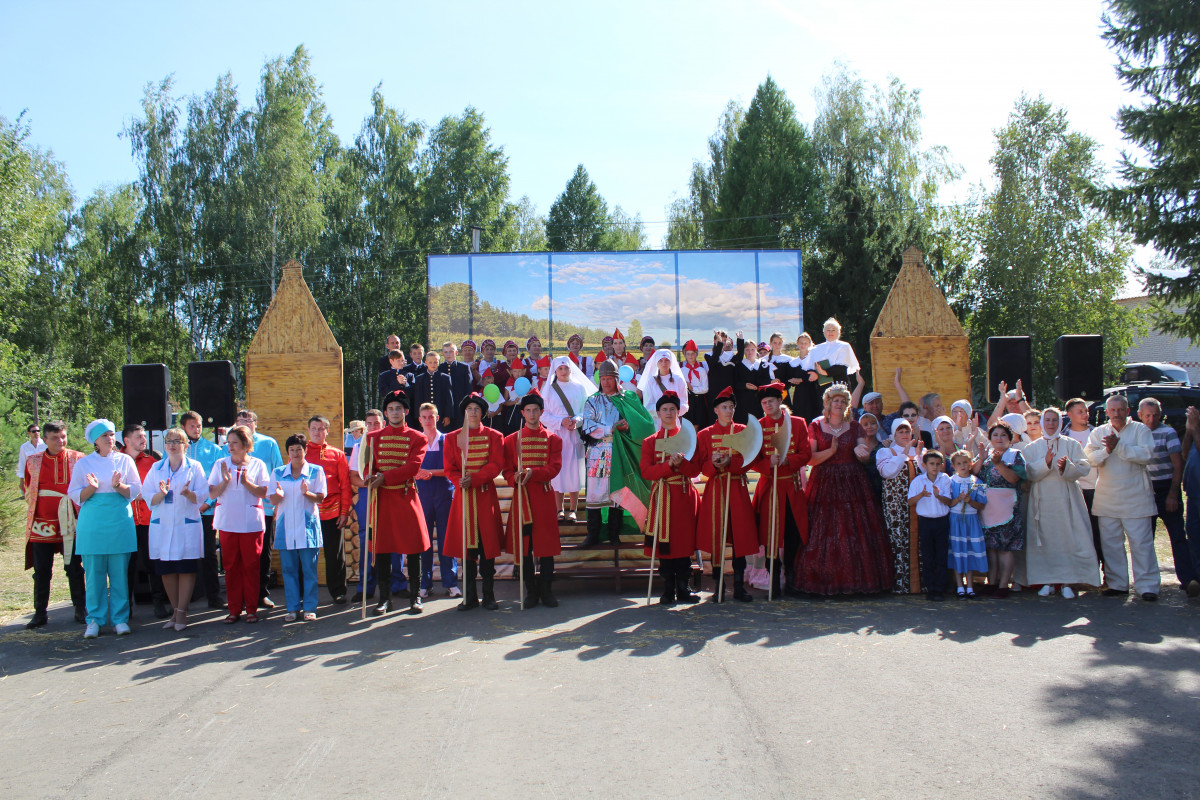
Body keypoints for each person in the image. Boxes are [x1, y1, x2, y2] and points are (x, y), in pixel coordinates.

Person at [795, 385, 893, 595]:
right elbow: (811, 458)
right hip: (824, 481)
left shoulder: (855, 426)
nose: (839, 404)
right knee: (823, 530)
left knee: (855, 529)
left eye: (842, 401)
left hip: (853, 482)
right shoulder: (816, 426)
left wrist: (862, 453)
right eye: (835, 401)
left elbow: (863, 454)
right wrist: (831, 451)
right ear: (828, 403)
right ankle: (821, 581)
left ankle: (859, 582)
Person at [68, 419, 143, 638]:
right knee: (94, 575)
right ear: (95, 441)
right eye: (105, 436)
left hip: (119, 521)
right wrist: (91, 488)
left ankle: (120, 619)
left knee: (119, 573)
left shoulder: (125, 460)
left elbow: (136, 490)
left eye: (112, 434)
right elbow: (74, 494)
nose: (110, 439)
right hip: (93, 524)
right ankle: (94, 620)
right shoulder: (84, 464)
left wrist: (119, 486)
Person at [1085, 394, 1160, 601]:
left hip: (1136, 496)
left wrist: (1119, 446)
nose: (1117, 414)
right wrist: (1107, 450)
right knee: (1110, 544)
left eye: (1121, 410)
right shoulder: (1099, 432)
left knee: (1141, 544)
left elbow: (1146, 455)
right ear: (1107, 412)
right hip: (1107, 496)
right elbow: (1089, 458)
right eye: (1113, 410)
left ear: (1128, 411)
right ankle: (1117, 584)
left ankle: (1147, 586)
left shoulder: (1140, 430)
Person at [1017, 408, 1099, 598]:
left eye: (1054, 420)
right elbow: (1028, 473)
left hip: (1066, 498)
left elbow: (1084, 467)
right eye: (1048, 420)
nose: (1051, 424)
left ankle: (1068, 581)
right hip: (1041, 500)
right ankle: (1047, 580)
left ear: (1060, 422)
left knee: (1067, 538)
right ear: (1043, 423)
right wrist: (1045, 463)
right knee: (1044, 540)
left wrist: (1067, 467)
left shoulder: (1071, 444)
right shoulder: (1033, 447)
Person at [362, 391, 430, 615]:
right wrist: (370, 477)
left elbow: (413, 467)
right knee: (381, 551)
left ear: (406, 411)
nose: (394, 412)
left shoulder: (418, 437)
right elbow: (367, 466)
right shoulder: (372, 437)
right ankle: (384, 599)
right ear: (385, 412)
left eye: (398, 408)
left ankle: (415, 597)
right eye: (390, 408)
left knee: (413, 549)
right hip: (381, 499)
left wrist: (385, 477)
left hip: (405, 496)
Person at [579, 361, 655, 547]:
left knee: (618, 492)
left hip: (621, 453)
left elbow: (644, 424)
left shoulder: (628, 398)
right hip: (598, 453)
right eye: (603, 379)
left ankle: (614, 534)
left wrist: (629, 426)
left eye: (609, 379)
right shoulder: (592, 400)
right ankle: (593, 535)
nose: (605, 382)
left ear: (616, 379)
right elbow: (588, 426)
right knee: (595, 495)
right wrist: (610, 428)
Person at [694, 387, 758, 602]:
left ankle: (739, 587)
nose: (729, 410)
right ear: (715, 410)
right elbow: (700, 466)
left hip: (737, 488)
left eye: (731, 407)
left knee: (740, 536)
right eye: (724, 407)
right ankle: (718, 587)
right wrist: (713, 465)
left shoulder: (743, 430)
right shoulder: (704, 435)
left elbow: (749, 459)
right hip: (716, 489)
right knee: (716, 537)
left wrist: (732, 463)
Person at [142, 427, 209, 631]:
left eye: (177, 442)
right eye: (169, 441)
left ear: (185, 446)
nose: (172, 445)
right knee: (167, 569)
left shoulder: (194, 467)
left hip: (185, 524)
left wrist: (189, 494)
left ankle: (182, 613)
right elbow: (148, 498)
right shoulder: (156, 468)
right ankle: (175, 610)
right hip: (162, 526)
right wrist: (161, 494)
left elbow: (203, 495)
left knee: (186, 568)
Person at [750, 382, 812, 598]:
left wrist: (787, 460)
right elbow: (754, 460)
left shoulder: (797, 423)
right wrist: (769, 464)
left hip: (792, 487)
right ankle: (774, 581)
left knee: (793, 534)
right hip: (770, 487)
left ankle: (793, 580)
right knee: (770, 537)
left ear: (779, 402)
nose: (768, 405)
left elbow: (805, 454)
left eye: (771, 402)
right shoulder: (757, 426)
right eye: (764, 402)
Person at [503, 389, 564, 608]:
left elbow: (554, 467)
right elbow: (507, 470)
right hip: (522, 497)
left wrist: (533, 473)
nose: (531, 414)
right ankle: (530, 591)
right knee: (525, 545)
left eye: (535, 410)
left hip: (545, 497)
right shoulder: (511, 440)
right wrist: (515, 477)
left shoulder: (553, 439)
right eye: (528, 410)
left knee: (545, 546)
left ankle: (546, 591)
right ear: (522, 413)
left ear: (541, 412)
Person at [640, 391, 702, 605]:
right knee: (664, 544)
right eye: (664, 409)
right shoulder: (649, 442)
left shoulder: (688, 438)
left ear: (678, 413)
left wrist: (682, 464)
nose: (668, 413)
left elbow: (695, 471)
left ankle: (684, 587)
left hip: (684, 496)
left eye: (672, 409)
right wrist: (669, 466)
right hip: (662, 497)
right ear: (658, 413)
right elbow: (646, 472)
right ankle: (667, 589)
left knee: (683, 543)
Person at [22, 420, 85, 629]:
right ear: (45, 439)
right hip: (42, 522)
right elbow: (28, 488)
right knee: (42, 570)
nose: (60, 441)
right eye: (55, 438)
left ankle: (80, 609)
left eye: (63, 437)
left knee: (74, 567)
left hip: (70, 521)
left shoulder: (79, 459)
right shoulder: (33, 461)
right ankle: (40, 613)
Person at [445, 392, 505, 611]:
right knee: (467, 550)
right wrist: (459, 480)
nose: (472, 412)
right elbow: (449, 467)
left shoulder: (494, 436)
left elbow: (496, 464)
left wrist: (476, 478)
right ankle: (469, 596)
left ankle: (489, 595)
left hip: (485, 496)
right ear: (464, 412)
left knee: (486, 548)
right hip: (463, 498)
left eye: (477, 409)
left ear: (482, 413)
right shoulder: (452, 438)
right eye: (469, 409)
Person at [208, 425, 269, 623]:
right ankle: (234, 609)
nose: (230, 446)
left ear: (245, 444)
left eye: (234, 443)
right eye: (228, 442)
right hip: (227, 522)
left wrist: (246, 483)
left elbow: (264, 493)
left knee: (251, 565)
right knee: (231, 566)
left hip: (251, 523)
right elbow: (211, 493)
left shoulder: (257, 464)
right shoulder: (220, 464)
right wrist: (225, 481)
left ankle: (251, 609)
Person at [1139, 397, 1195, 594]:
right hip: (1145, 489)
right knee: (1145, 538)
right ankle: (1149, 583)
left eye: (1155, 415)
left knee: (1177, 535)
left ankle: (1188, 579)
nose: (1151, 419)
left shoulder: (1168, 433)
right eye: (1147, 415)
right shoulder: (1137, 432)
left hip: (1166, 487)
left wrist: (1173, 493)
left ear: (1160, 415)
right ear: (1139, 415)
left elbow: (1178, 464)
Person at [269, 433, 326, 622]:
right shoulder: (278, 473)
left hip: (307, 527)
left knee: (309, 570)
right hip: (286, 529)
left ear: (305, 450)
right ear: (287, 452)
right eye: (292, 449)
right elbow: (272, 499)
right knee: (288, 570)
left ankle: (310, 607)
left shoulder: (316, 471)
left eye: (299, 449)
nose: (295, 453)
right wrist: (277, 494)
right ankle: (292, 608)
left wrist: (306, 492)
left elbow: (320, 498)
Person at [350, 409, 406, 603]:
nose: (374, 427)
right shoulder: (359, 445)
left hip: (391, 491)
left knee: (396, 535)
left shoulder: (393, 441)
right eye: (370, 424)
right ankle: (366, 586)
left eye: (377, 423)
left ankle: (398, 583)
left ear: (383, 423)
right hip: (369, 493)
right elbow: (353, 476)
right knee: (368, 539)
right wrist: (370, 483)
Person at [231, 410, 284, 610]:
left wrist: (277, 503)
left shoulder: (268, 443)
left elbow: (277, 472)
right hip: (237, 509)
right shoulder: (229, 445)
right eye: (240, 420)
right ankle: (241, 597)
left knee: (263, 553)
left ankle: (261, 594)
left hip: (265, 507)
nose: (244, 423)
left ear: (256, 424)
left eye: (248, 420)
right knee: (239, 555)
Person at [180, 410, 227, 609]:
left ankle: (214, 596)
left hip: (206, 510)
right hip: (183, 510)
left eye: (199, 425)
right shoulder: (175, 450)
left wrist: (207, 503)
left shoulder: (214, 449)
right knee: (186, 552)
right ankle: (189, 595)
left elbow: (216, 481)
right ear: (183, 427)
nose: (196, 429)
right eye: (192, 426)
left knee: (209, 553)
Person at [975, 421, 1026, 598]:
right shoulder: (986, 456)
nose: (999, 438)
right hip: (988, 508)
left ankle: (1004, 585)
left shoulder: (1015, 455)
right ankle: (992, 582)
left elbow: (1014, 478)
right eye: (995, 435)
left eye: (1003, 435)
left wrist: (999, 464)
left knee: (1005, 548)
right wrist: (981, 458)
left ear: (1010, 439)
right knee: (992, 548)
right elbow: (974, 473)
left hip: (1007, 508)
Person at [121, 424, 168, 619]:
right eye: (139, 436)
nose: (144, 440)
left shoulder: (152, 462)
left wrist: (140, 494)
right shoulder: (117, 461)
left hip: (149, 521)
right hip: (125, 521)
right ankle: (125, 609)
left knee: (153, 563)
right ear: (126, 440)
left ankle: (159, 604)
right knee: (126, 566)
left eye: (144, 436)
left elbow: (158, 489)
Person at [542, 355, 596, 523]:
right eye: (560, 369)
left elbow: (586, 410)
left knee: (575, 471)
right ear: (555, 371)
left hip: (575, 436)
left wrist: (577, 421)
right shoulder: (549, 390)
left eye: (566, 368)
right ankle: (559, 509)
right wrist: (560, 421)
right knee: (557, 472)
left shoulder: (579, 387)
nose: (563, 371)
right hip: (556, 435)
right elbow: (543, 415)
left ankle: (572, 509)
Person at [304, 415, 351, 605]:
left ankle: (338, 591)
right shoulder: (301, 452)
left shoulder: (337, 454)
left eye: (321, 429)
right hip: (307, 511)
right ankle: (304, 595)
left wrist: (344, 511)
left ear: (327, 431)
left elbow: (345, 485)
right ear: (308, 430)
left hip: (332, 511)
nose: (317, 432)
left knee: (334, 555)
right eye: (314, 428)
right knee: (306, 555)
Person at [415, 403, 459, 599]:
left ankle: (451, 583)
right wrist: (418, 473)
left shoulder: (447, 440)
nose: (427, 420)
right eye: (424, 417)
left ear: (437, 417)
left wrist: (431, 473)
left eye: (431, 416)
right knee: (424, 541)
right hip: (422, 495)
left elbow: (453, 468)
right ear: (419, 420)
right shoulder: (416, 441)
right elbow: (410, 468)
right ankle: (424, 583)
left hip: (444, 494)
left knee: (446, 540)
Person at [876, 419, 923, 594]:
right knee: (897, 541)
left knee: (918, 542)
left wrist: (917, 455)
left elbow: (929, 473)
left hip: (918, 505)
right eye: (900, 432)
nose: (904, 435)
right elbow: (888, 472)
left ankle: (919, 585)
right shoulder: (885, 452)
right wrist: (903, 454)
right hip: (895, 505)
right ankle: (899, 584)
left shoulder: (920, 451)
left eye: (907, 431)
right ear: (894, 435)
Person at [1063, 397, 1104, 570]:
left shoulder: (1096, 433)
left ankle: (1104, 571)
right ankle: (1080, 572)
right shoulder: (1064, 435)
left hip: (1096, 489)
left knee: (1099, 532)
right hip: (1073, 490)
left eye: (1086, 411)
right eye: (1080, 411)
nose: (1085, 415)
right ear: (1069, 414)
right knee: (1077, 532)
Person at [908, 450, 955, 601]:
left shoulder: (945, 479)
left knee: (941, 555)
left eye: (937, 464)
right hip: (926, 522)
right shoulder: (918, 481)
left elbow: (949, 502)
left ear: (942, 465)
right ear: (925, 465)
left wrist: (938, 495)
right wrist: (921, 495)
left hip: (941, 521)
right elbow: (909, 502)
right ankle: (930, 588)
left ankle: (940, 588)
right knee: (928, 556)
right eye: (931, 464)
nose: (935, 467)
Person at [947, 450, 988, 599]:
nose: (963, 466)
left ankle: (969, 585)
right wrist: (958, 500)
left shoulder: (976, 482)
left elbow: (981, 505)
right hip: (956, 520)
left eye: (965, 462)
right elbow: (948, 503)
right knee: (958, 552)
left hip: (971, 521)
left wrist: (970, 501)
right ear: (954, 466)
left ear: (970, 463)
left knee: (969, 552)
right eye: (959, 463)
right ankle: (959, 585)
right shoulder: (950, 481)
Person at [638, 348, 689, 427]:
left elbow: (684, 404)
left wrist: (672, 412)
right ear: (656, 363)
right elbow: (648, 406)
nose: (664, 363)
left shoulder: (679, 380)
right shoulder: (651, 382)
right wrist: (664, 411)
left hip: (675, 424)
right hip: (657, 425)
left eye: (666, 360)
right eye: (660, 361)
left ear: (671, 362)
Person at [809, 318, 860, 385]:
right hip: (821, 383)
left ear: (839, 332)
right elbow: (810, 365)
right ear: (824, 332)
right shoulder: (815, 348)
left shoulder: (844, 346)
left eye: (833, 330)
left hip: (839, 382)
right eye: (828, 330)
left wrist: (824, 372)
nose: (830, 332)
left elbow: (842, 367)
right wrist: (813, 373)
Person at [732, 339, 769, 424]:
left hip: (758, 401)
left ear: (756, 350)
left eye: (752, 349)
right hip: (743, 401)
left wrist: (758, 386)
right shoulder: (739, 365)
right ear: (744, 351)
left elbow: (766, 381)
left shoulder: (762, 364)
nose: (750, 352)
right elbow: (735, 383)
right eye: (747, 350)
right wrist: (745, 386)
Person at [787, 333, 822, 422]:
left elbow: (815, 376)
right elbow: (791, 377)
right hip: (799, 394)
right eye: (801, 343)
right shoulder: (794, 362)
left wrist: (802, 379)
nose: (803, 345)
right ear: (797, 343)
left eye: (805, 343)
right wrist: (793, 381)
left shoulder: (813, 360)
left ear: (810, 344)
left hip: (812, 393)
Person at [440, 341, 472, 430]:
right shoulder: (440, 368)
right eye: (446, 352)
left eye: (451, 351)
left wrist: (466, 406)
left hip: (459, 405)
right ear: (442, 354)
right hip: (445, 406)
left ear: (456, 352)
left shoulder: (464, 367)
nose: (448, 354)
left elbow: (468, 388)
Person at [680, 339, 711, 431]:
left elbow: (705, 388)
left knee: (697, 425)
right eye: (688, 354)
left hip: (698, 400)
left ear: (697, 354)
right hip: (686, 400)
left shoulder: (701, 370)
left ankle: (696, 444)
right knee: (686, 425)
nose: (690, 356)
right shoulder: (682, 370)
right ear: (685, 354)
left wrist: (692, 388)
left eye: (693, 353)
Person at [705, 330, 741, 404]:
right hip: (714, 395)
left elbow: (739, 357)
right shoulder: (708, 355)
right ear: (714, 340)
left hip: (727, 394)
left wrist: (740, 340)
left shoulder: (729, 355)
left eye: (724, 340)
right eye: (720, 339)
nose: (723, 342)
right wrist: (719, 345)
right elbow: (713, 362)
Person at [16, 423, 45, 496]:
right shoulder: (24, 447)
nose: (36, 433)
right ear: (29, 433)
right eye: (34, 431)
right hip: (31, 477)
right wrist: (22, 481)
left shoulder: (46, 444)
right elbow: (22, 463)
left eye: (38, 431)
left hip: (45, 475)